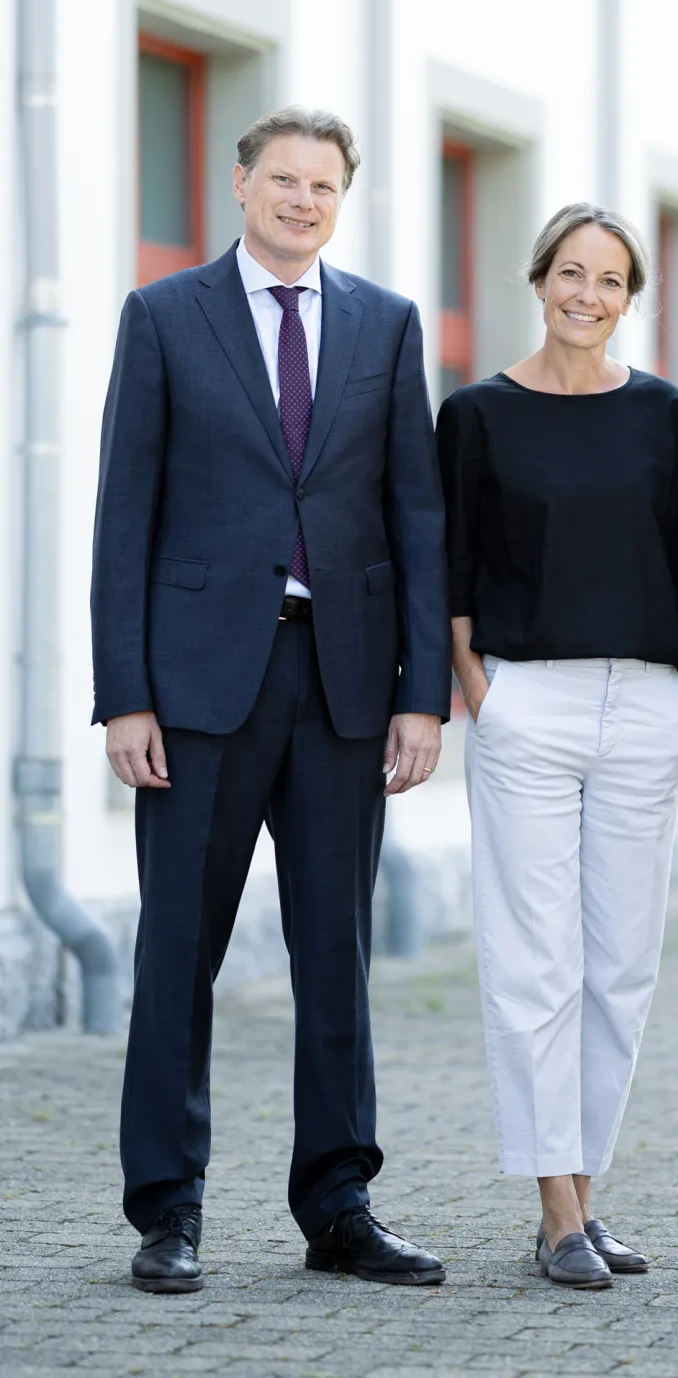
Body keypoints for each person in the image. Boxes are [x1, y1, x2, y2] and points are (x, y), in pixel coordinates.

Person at [92, 107, 450, 1293]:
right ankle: (168, 1208)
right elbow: (124, 515)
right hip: (197, 691)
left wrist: (421, 696)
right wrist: (125, 695)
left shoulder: (387, 324)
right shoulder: (164, 316)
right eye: (285, 179)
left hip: (344, 686)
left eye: (325, 185)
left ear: (343, 199)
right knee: (177, 952)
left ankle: (339, 1206)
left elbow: (415, 517)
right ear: (241, 183)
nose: (304, 200)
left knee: (336, 955)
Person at [437, 203, 678, 1291]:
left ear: (631, 299)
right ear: (538, 278)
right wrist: (478, 691)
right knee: (535, 963)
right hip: (528, 703)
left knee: (622, 967)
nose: (588, 295)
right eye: (571, 273)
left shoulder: (660, 411)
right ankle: (556, 1211)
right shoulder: (477, 414)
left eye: (610, 281)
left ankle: (588, 1195)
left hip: (645, 704)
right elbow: (452, 567)